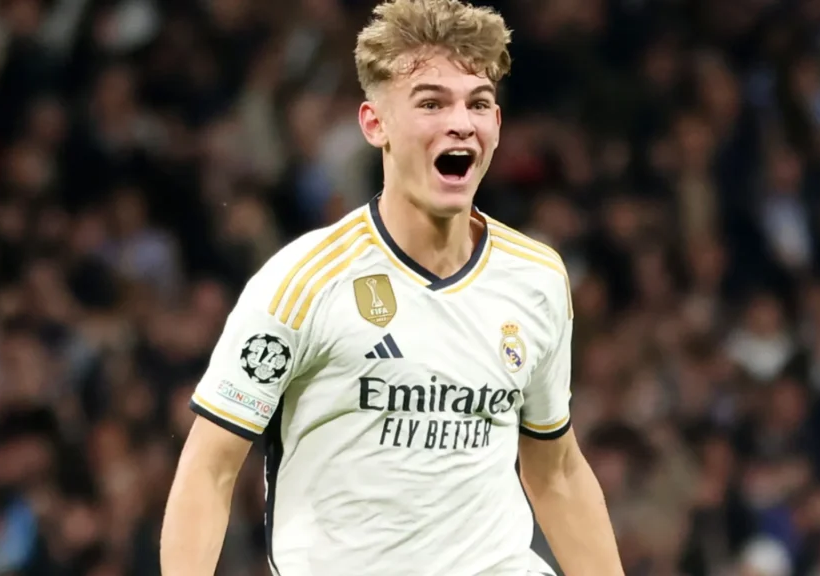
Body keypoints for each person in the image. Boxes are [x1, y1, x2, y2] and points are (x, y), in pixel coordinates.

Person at [160, 1, 625, 574]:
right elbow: (209, 469)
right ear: (374, 123)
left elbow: (556, 471)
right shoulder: (303, 281)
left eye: (478, 103)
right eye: (431, 103)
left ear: (497, 125)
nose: (461, 122)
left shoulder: (537, 278)